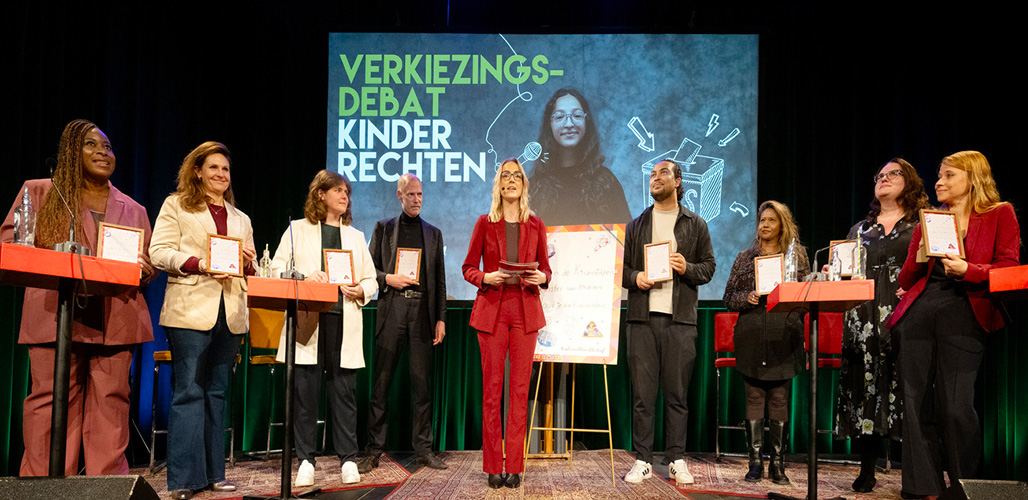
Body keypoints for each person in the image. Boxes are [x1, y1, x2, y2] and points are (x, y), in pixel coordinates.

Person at [1, 119, 155, 476]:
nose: (103, 152)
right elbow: (11, 246)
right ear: (71, 151)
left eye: (108, 147)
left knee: (112, 403)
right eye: (92, 145)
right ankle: (45, 485)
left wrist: (144, 268)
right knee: (50, 401)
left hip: (116, 316)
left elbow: (146, 264)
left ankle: (105, 487)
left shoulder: (133, 209)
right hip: (56, 312)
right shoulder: (40, 192)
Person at [886, 151, 1019, 499]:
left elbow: (1009, 269)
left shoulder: (999, 213)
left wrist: (969, 270)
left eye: (948, 176)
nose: (939, 182)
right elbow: (906, 277)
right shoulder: (929, 219)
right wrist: (917, 254)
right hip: (921, 308)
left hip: (964, 308)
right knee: (914, 402)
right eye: (939, 175)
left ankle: (963, 487)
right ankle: (921, 487)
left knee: (956, 403)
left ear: (973, 178)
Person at [149, 141, 255, 500]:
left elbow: (249, 271)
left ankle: (214, 474)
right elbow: (159, 251)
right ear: (197, 171)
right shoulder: (176, 205)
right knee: (189, 392)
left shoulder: (242, 219)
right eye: (213, 168)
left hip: (231, 313)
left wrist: (249, 262)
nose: (221, 175)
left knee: (216, 392)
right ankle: (183, 480)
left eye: (225, 170)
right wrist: (200, 263)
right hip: (190, 309)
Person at [270, 170, 378, 487]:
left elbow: (370, 278)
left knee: (344, 394)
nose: (345, 196)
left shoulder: (356, 237)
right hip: (309, 320)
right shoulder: (297, 231)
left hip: (344, 320)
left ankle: (348, 459)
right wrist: (304, 276)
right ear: (320, 194)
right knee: (305, 394)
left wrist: (362, 290)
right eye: (338, 191)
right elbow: (277, 268)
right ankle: (305, 460)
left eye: (347, 192)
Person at [835, 159, 930, 493]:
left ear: (910, 181)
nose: (884, 179)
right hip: (863, 319)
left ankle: (913, 474)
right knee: (865, 390)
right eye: (879, 176)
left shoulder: (922, 223)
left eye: (893, 174)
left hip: (907, 314)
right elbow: (841, 271)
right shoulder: (860, 229)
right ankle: (867, 469)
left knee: (905, 389)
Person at [622, 158, 715, 485]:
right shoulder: (636, 225)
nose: (655, 178)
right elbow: (622, 272)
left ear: (677, 181)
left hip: (679, 322)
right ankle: (642, 460)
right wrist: (638, 278)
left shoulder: (696, 224)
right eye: (652, 174)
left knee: (677, 395)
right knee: (643, 397)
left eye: (662, 173)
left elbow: (708, 268)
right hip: (642, 321)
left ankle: (677, 458)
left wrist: (685, 267)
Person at [462, 158, 551, 489]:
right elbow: (469, 267)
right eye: (505, 176)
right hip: (493, 311)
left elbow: (546, 270)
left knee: (519, 391)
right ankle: (492, 466)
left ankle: (514, 465)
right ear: (499, 184)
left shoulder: (536, 224)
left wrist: (542, 276)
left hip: (525, 311)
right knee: (492, 391)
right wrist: (487, 276)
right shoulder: (485, 223)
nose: (511, 180)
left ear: (524, 185)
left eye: (517, 176)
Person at [359, 173, 447, 473]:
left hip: (422, 311)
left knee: (422, 386)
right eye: (411, 195)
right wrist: (389, 278)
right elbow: (369, 269)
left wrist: (440, 319)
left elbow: (440, 281)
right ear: (400, 196)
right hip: (393, 307)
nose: (417, 199)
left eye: (420, 194)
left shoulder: (433, 233)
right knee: (381, 384)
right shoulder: (384, 228)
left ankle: (424, 450)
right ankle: (373, 449)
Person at [722, 200, 809, 485]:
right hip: (751, 335)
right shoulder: (744, 257)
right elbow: (728, 298)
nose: (765, 225)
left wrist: (789, 298)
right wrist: (745, 299)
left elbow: (807, 298)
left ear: (782, 224)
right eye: (762, 220)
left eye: (772, 220)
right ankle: (755, 463)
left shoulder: (797, 256)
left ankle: (778, 466)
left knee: (779, 398)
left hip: (784, 336)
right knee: (754, 397)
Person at [528, 88, 632, 226]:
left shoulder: (606, 182)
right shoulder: (534, 187)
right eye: (559, 117)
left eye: (577, 116)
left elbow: (626, 239)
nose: (569, 124)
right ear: (550, 124)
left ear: (586, 121)